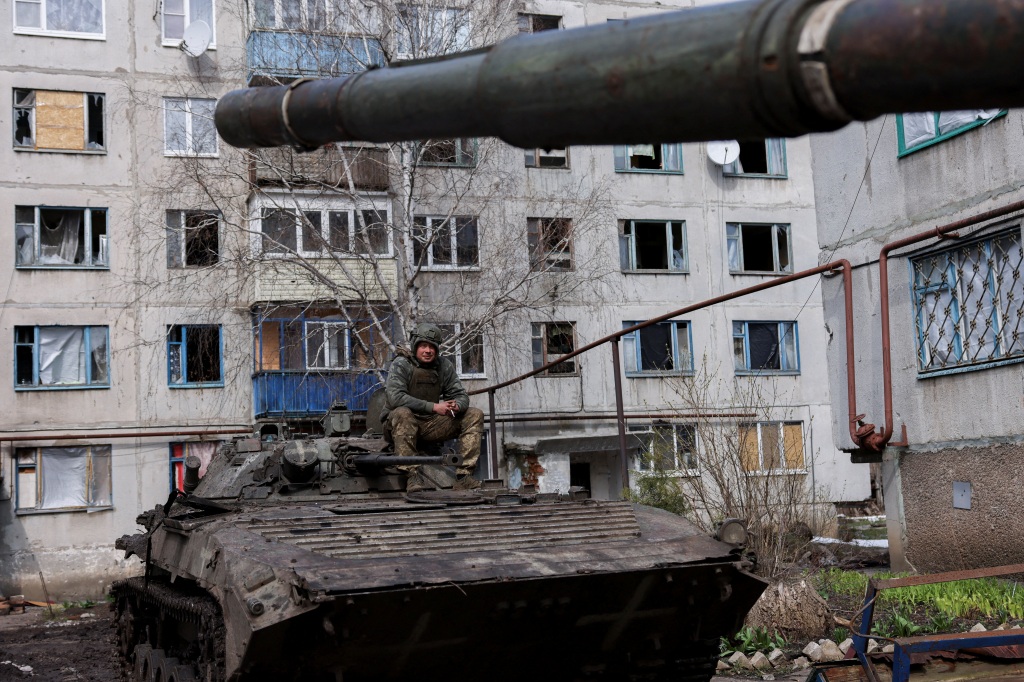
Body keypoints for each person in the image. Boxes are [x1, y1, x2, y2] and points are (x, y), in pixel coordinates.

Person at [381, 323, 484, 492]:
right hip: (398, 426)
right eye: (423, 346)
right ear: (415, 346)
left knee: (474, 414)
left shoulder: (443, 366)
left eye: (432, 347)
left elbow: (461, 395)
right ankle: (412, 476)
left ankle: (463, 476)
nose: (428, 351)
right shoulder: (402, 364)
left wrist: (457, 405)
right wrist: (434, 407)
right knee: (402, 413)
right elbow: (395, 398)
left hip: (430, 425)